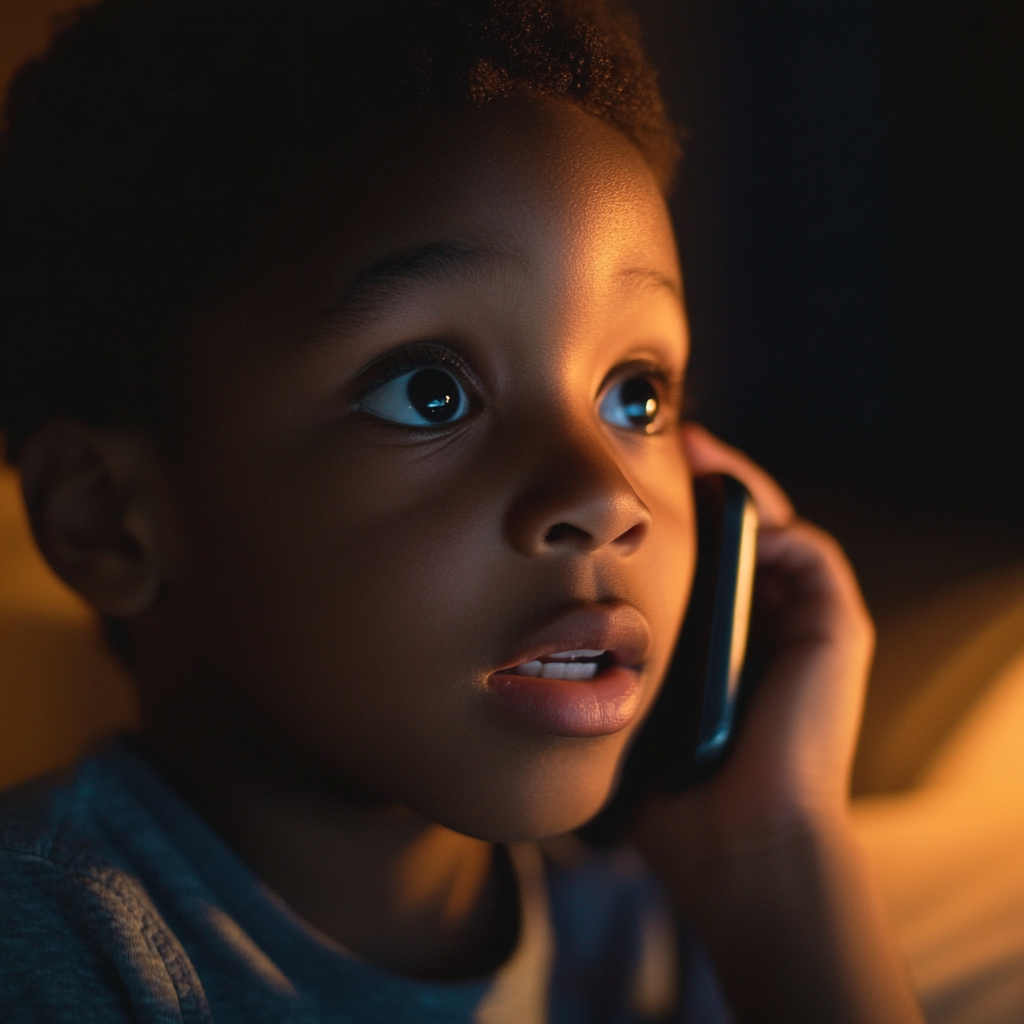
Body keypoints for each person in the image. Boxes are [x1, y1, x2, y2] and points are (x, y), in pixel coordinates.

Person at [0, 1, 924, 1020]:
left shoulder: (676, 933)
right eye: (428, 392)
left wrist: (778, 866)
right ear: (107, 518)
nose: (602, 498)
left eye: (637, 395)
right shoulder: (49, 947)